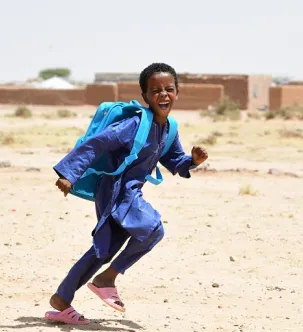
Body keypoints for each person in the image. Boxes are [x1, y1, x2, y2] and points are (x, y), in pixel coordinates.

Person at [45, 63, 209, 325]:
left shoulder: (169, 128)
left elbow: (174, 159)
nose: (163, 95)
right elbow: (96, 144)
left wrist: (192, 161)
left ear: (177, 92)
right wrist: (69, 174)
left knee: (104, 249)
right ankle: (106, 279)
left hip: (130, 190)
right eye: (155, 90)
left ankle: (61, 300)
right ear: (145, 96)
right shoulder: (133, 124)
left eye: (169, 89)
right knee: (154, 228)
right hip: (116, 189)